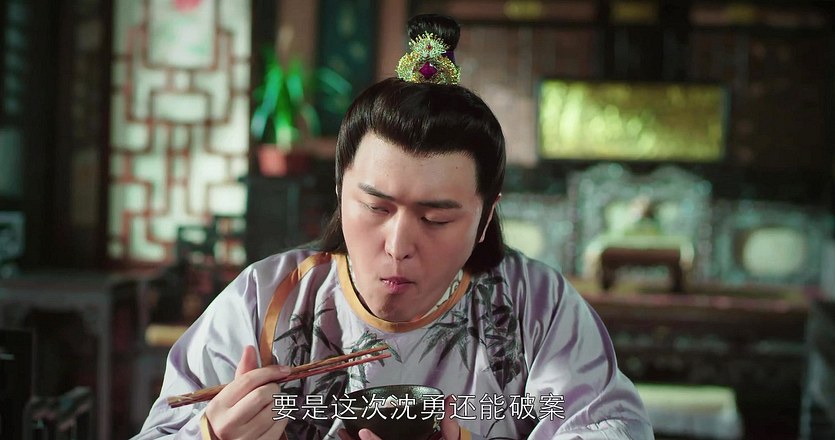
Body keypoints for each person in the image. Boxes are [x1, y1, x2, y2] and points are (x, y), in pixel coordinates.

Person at [134, 13, 653, 440]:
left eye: (436, 218)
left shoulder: (535, 304)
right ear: (340, 191)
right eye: (376, 208)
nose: (399, 245)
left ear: (485, 217)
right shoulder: (266, 299)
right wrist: (212, 436)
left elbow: (609, 427)